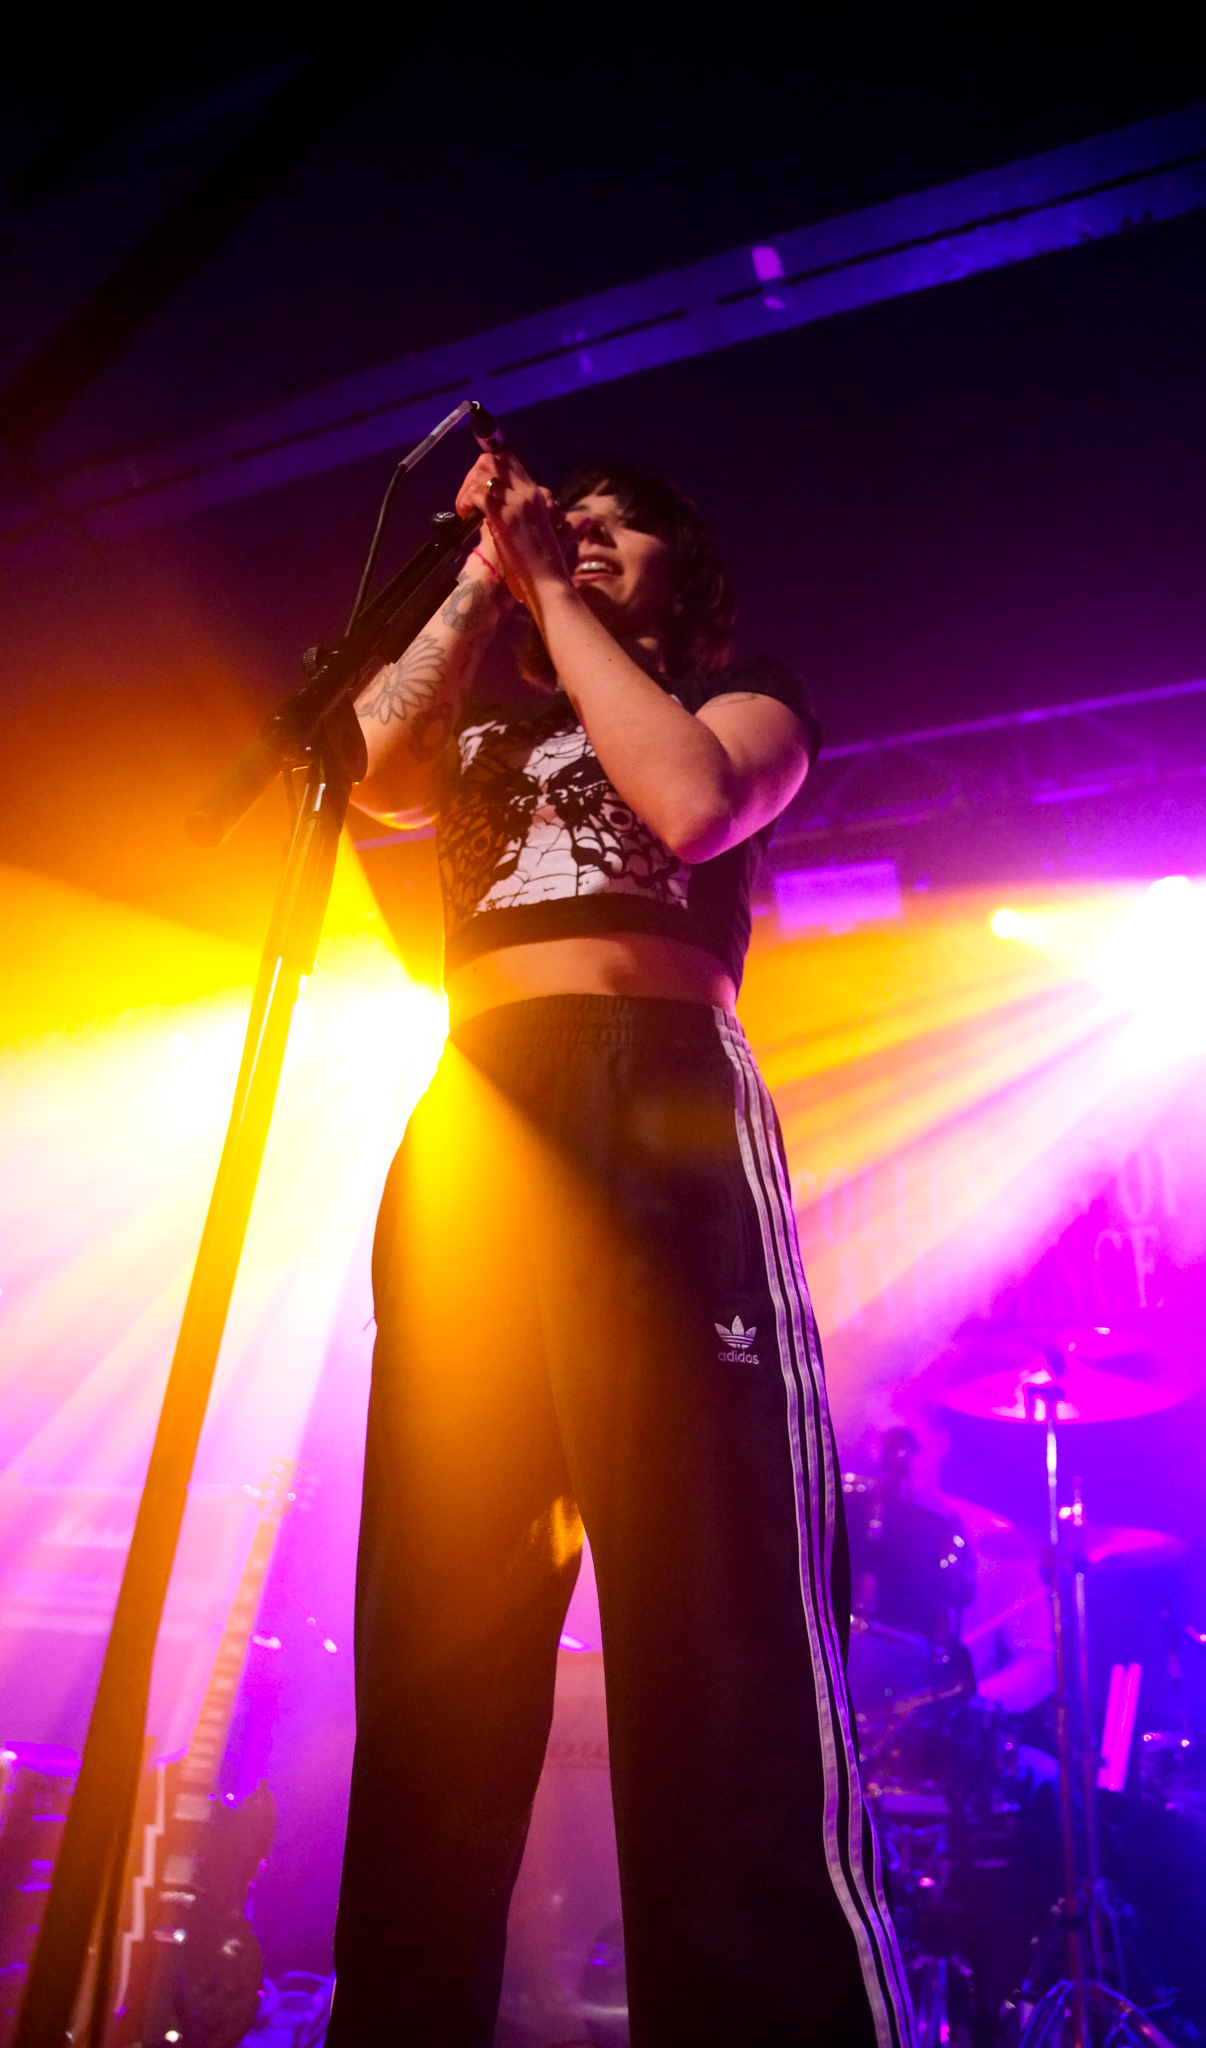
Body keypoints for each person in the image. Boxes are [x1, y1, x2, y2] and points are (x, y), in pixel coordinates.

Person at [324, 441, 912, 2047]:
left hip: (651, 1102)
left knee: (712, 1612)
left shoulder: (743, 697)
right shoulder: (481, 717)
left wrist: (553, 590)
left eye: (617, 522)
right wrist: (479, 586)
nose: (577, 528)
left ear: (683, 573)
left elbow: (691, 804)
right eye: (563, 516)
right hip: (477, 1114)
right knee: (439, 1624)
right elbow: (360, 766)